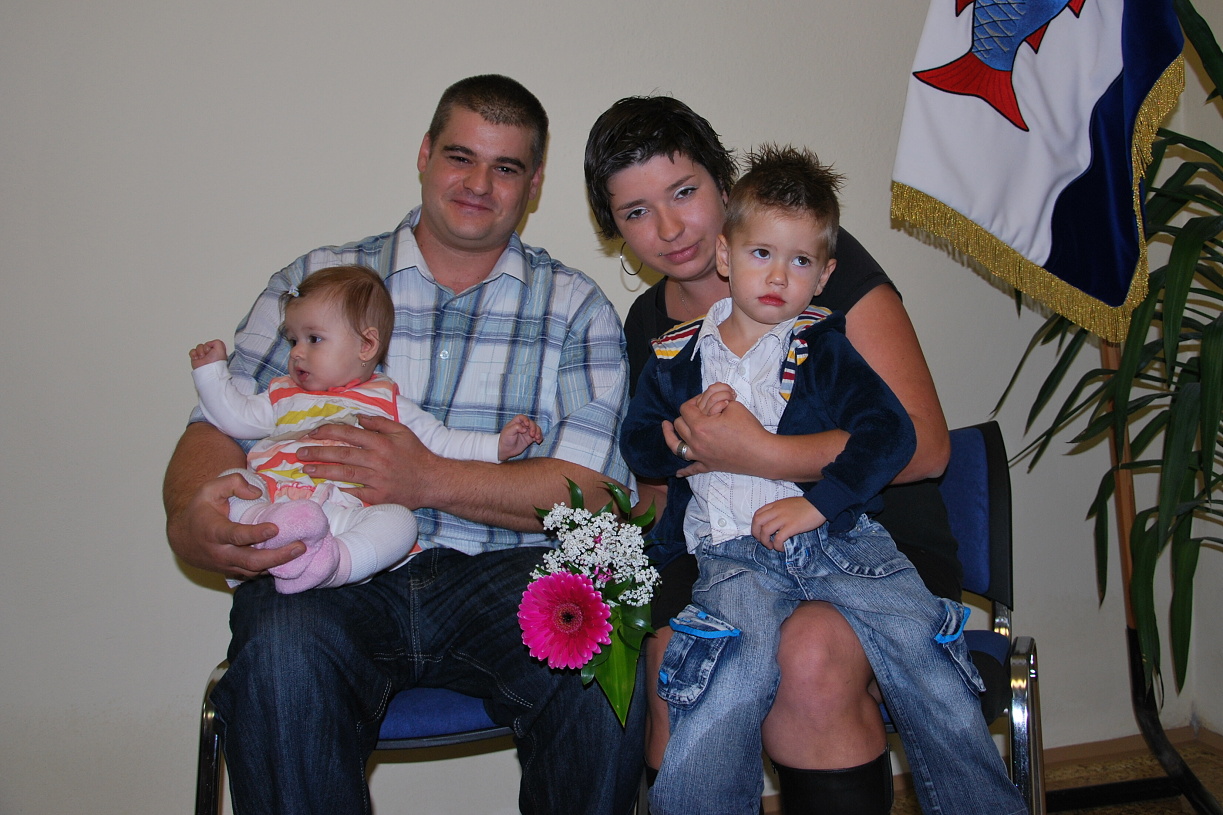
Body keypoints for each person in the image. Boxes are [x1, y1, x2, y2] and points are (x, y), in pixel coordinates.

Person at [163, 75, 644, 814]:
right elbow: (215, 428)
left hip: (500, 580)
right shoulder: (313, 284)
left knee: (600, 626)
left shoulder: (576, 307)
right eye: (460, 156)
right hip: (328, 575)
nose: (478, 184)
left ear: (534, 183)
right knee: (282, 652)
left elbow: (599, 497)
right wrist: (192, 515)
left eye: (506, 167)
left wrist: (427, 478)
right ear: (424, 154)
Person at [586, 95, 1009, 812]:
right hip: (724, 544)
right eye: (635, 211)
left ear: (723, 185)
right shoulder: (651, 325)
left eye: (683, 193)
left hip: (864, 530)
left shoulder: (807, 266)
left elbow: (923, 446)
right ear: (615, 228)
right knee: (672, 664)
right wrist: (610, 538)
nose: (668, 228)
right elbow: (659, 477)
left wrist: (760, 454)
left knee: (807, 657)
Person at [190, 264, 543, 594]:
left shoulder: (386, 401)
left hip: (341, 512)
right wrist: (211, 372)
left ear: (366, 345)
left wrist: (497, 446)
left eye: (314, 339)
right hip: (273, 500)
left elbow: (442, 441)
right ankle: (263, 529)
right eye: (293, 340)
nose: (296, 353)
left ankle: (337, 565)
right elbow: (234, 417)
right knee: (234, 481)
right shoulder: (281, 394)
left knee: (400, 524)